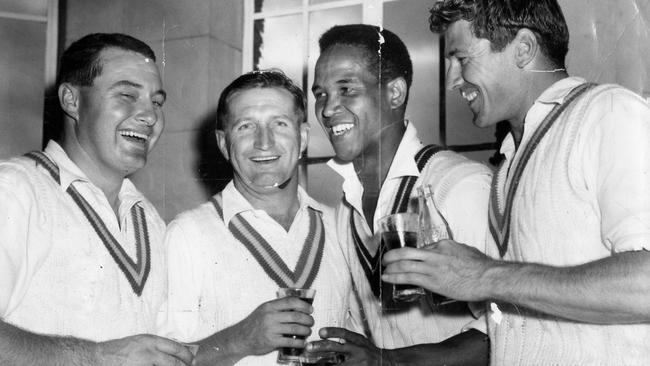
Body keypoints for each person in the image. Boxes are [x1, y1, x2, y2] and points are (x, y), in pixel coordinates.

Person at [383, 0, 650, 364]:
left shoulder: (607, 113)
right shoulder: (510, 163)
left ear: (523, 48)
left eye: (461, 59)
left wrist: (485, 275)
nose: (450, 81)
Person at [0, 33, 194, 365]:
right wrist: (99, 356)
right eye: (127, 94)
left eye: (157, 102)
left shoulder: (149, 220)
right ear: (71, 100)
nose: (150, 116)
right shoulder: (16, 190)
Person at [307, 24, 493, 365]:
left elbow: (510, 327)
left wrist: (387, 362)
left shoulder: (458, 186)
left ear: (395, 93)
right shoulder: (346, 209)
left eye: (346, 89)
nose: (328, 108)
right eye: (320, 94)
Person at [160, 70, 362, 365]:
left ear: (303, 137)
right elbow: (163, 360)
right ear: (222, 143)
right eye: (245, 127)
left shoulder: (341, 227)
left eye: (279, 124)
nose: (264, 142)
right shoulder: (187, 234)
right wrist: (241, 339)